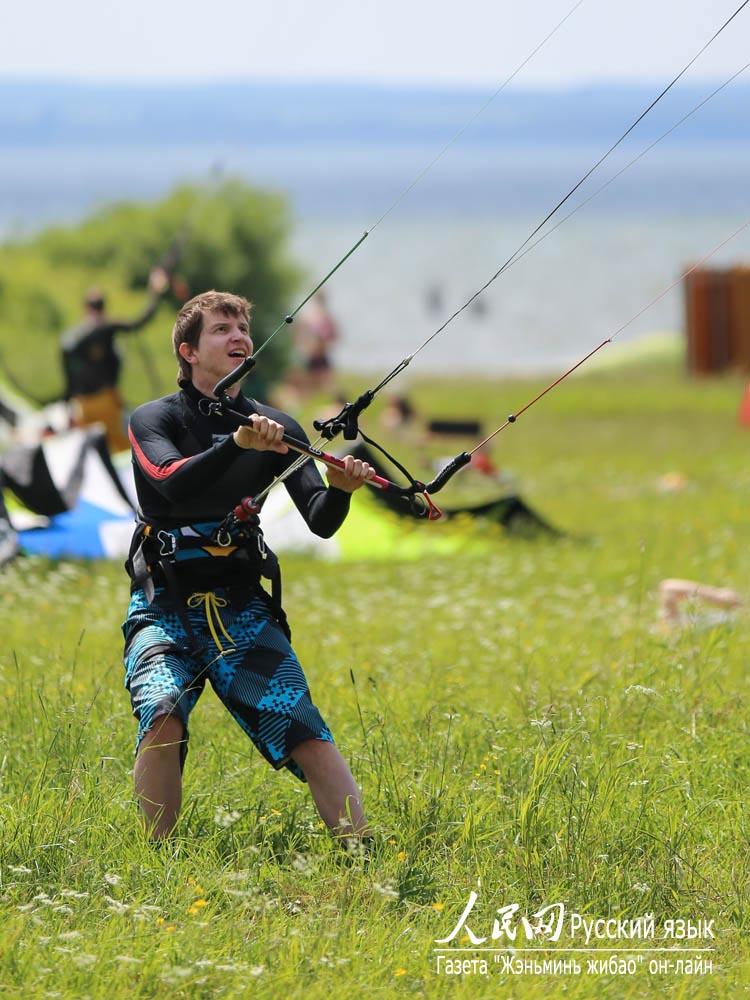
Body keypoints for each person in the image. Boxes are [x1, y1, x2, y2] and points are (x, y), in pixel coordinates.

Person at [122, 289, 375, 844]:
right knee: (163, 714)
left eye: (242, 327)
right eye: (220, 329)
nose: (238, 336)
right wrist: (237, 444)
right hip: (163, 605)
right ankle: (154, 858)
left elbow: (321, 519)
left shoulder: (277, 426)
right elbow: (167, 480)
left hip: (241, 608)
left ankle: (363, 853)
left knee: (303, 725)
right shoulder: (153, 418)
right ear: (188, 351)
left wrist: (342, 490)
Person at [61, 266, 170, 452]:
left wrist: (67, 404)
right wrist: (155, 290)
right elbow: (139, 321)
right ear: (103, 307)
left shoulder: (73, 337)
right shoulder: (107, 326)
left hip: (82, 405)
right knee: (123, 449)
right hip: (106, 402)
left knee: (89, 452)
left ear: (86, 308)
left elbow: (68, 370)